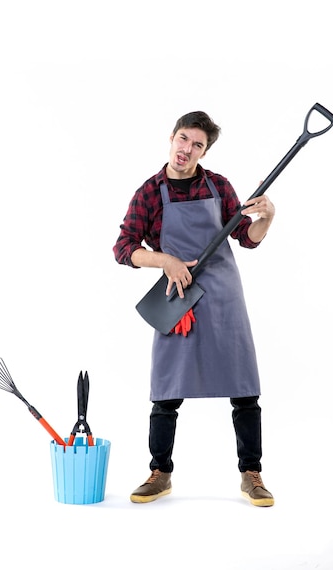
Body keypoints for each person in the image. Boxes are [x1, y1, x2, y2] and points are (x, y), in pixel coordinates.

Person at [113, 110, 276, 507]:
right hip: (178, 297)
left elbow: (246, 237)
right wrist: (165, 260)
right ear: (171, 137)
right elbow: (123, 249)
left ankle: (251, 474)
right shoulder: (150, 192)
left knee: (244, 388)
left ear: (204, 151)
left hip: (222, 295)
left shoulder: (218, 186)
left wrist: (267, 218)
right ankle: (160, 473)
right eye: (183, 139)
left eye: (197, 144)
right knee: (167, 390)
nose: (187, 149)